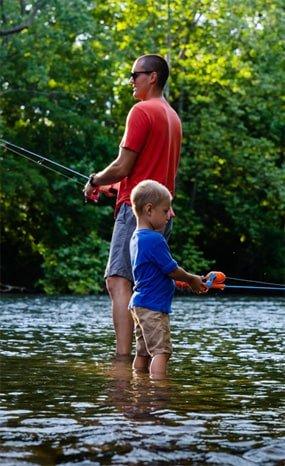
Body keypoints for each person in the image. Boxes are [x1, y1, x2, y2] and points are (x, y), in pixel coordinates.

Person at [84, 54, 182, 357]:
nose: (131, 80)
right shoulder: (173, 117)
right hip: (161, 214)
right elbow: (149, 174)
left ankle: (122, 362)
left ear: (152, 76)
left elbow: (123, 166)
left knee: (118, 280)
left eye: (135, 74)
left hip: (136, 213)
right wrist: (112, 186)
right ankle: (145, 360)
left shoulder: (141, 111)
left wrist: (95, 179)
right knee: (145, 286)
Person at [129, 180, 207, 379]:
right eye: (165, 211)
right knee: (161, 352)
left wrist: (181, 282)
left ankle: (139, 383)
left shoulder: (136, 238)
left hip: (139, 304)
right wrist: (191, 279)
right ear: (149, 210)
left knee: (143, 351)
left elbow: (154, 272)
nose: (170, 215)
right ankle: (159, 391)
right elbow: (172, 269)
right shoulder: (154, 239)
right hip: (153, 308)